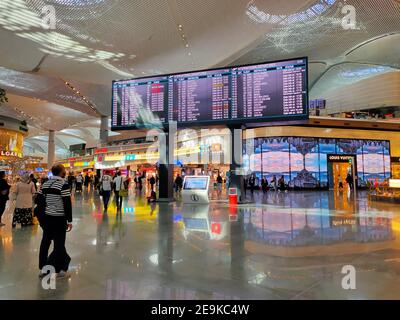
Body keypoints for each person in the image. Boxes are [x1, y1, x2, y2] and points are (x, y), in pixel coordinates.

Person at [36, 164, 73, 279]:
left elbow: (38, 200)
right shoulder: (63, 184)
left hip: (47, 218)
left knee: (45, 242)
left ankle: (46, 268)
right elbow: (67, 204)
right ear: (62, 173)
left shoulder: (46, 183)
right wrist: (69, 220)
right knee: (59, 244)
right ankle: (53, 268)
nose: (65, 172)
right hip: (59, 218)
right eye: (64, 171)